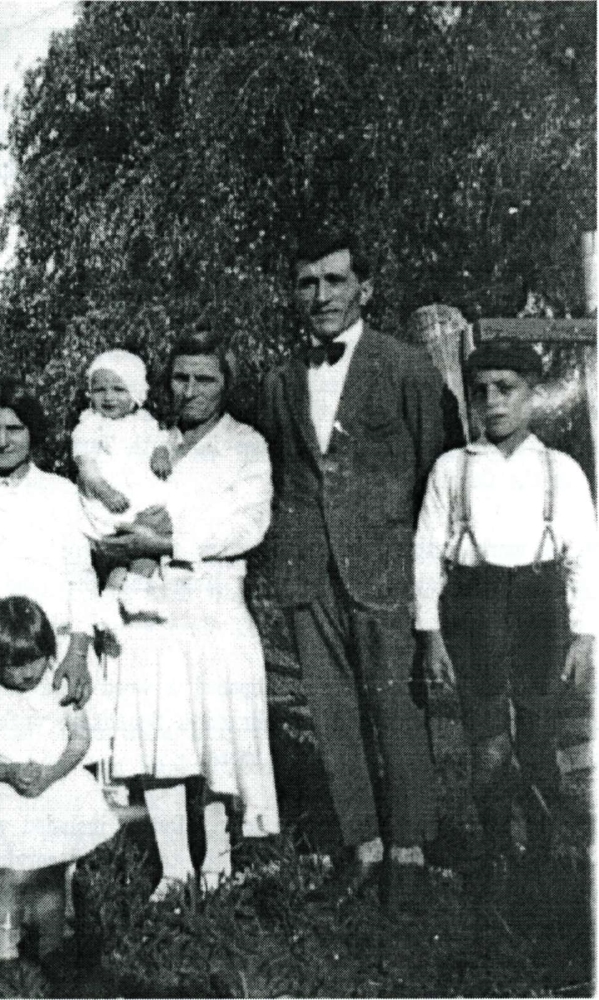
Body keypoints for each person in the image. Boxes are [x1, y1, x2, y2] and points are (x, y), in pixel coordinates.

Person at [257, 224, 451, 909]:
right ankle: (361, 846)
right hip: (309, 571)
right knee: (333, 714)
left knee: (396, 707)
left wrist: (429, 573)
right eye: (306, 282)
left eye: (334, 280)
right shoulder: (280, 380)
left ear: (364, 289)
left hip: (385, 568)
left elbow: (438, 470)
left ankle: (409, 852)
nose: (320, 295)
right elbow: (286, 473)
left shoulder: (406, 369)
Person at [96, 330, 280, 902]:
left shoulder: (246, 444)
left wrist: (169, 537)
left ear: (226, 384)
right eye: (181, 378)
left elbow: (249, 525)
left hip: (215, 606)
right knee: (162, 737)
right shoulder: (144, 440)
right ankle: (175, 870)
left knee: (217, 738)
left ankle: (217, 864)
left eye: (206, 378)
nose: (192, 390)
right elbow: (110, 510)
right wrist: (125, 542)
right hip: (152, 611)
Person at [415, 341, 595, 889]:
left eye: (507, 389)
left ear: (533, 395)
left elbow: (585, 556)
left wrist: (585, 634)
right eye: (481, 391)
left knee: (539, 738)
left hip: (540, 606)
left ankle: (541, 857)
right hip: (474, 605)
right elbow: (426, 552)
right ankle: (497, 852)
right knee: (488, 740)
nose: (492, 402)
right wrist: (431, 633)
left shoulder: (560, 469)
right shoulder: (453, 468)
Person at [0, 379, 110, 783]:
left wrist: (78, 653)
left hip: (57, 659)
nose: (1, 441)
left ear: (32, 433)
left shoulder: (61, 494)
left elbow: (82, 579)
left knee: (70, 779)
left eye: (14, 429)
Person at [0, 597, 119, 996]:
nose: (27, 673)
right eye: (13, 665)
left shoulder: (57, 684)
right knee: (9, 881)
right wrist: (7, 771)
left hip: (55, 793)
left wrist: (53, 772)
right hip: (4, 799)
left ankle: (52, 947)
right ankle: (5, 952)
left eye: (35, 660)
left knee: (52, 879)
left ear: (49, 652)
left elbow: (81, 739)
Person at [73, 349, 173, 626]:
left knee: (148, 544)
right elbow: (87, 468)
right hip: (108, 503)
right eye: (100, 389)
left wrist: (160, 453)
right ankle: (134, 591)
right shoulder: (89, 425)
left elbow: (161, 441)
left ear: (136, 393)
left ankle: (113, 598)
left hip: (138, 499)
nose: (108, 397)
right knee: (137, 542)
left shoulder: (144, 421)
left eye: (119, 389)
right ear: (90, 394)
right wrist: (106, 493)